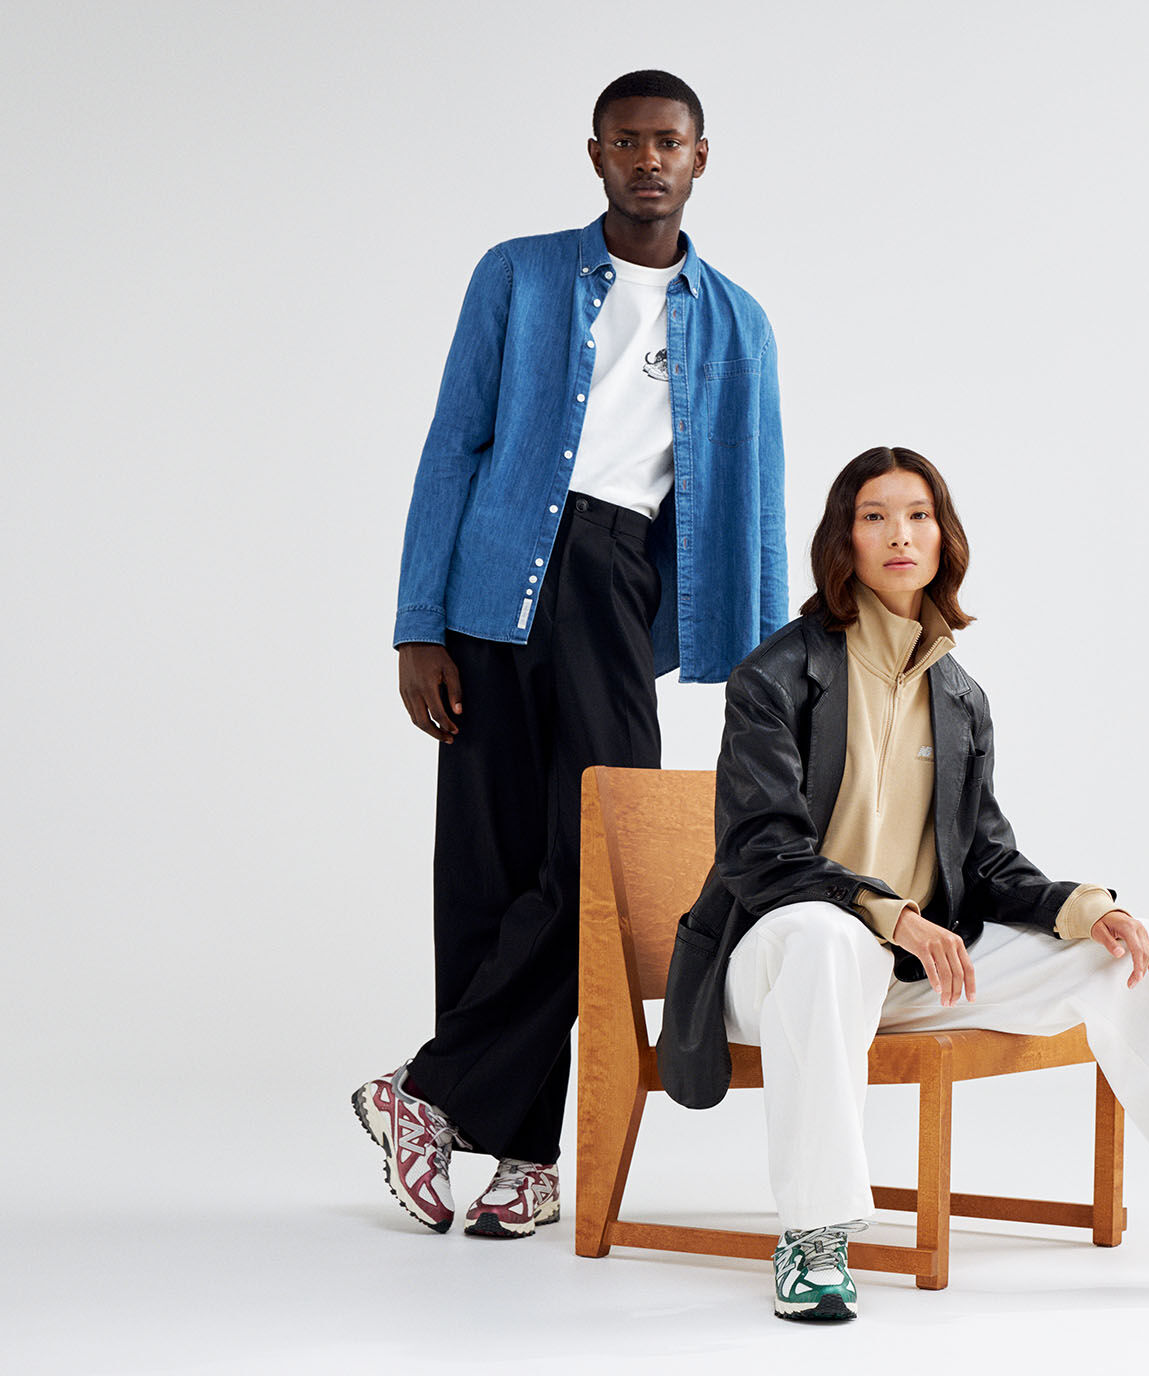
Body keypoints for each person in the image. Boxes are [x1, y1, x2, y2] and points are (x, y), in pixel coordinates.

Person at [658, 447, 1149, 1320]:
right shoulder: (775, 675)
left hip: (904, 973)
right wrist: (891, 916)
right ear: (843, 541)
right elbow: (762, 852)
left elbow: (985, 863)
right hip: (779, 970)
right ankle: (814, 1236)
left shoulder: (959, 697)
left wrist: (1083, 910)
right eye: (875, 517)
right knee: (827, 936)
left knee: (1142, 953)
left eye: (919, 516)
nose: (900, 535)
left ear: (944, 539)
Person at [353, 70, 787, 1239]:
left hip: (614, 581)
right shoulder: (517, 274)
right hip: (493, 586)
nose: (649, 160)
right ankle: (522, 1157)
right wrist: (418, 624)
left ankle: (426, 1090)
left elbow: (754, 495)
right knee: (485, 872)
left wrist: (762, 668)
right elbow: (453, 442)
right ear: (595, 153)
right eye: (627, 141)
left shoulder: (737, 321)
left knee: (596, 866)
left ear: (700, 157)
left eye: (669, 142)